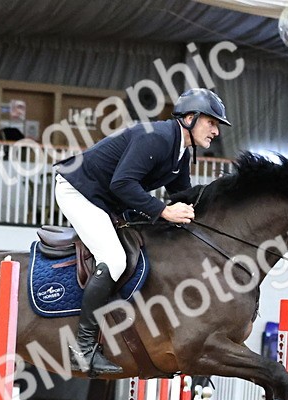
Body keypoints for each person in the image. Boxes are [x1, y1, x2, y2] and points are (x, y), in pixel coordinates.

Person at [53, 87, 230, 376]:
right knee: (114, 258)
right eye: (212, 122)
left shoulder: (180, 152)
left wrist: (220, 202)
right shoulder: (157, 138)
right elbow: (122, 184)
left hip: (107, 199)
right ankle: (82, 349)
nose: (216, 132)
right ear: (190, 117)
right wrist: (162, 211)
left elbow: (182, 196)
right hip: (79, 191)